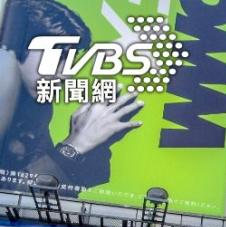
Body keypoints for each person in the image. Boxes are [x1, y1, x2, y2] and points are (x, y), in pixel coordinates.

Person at [0, 0, 145, 194]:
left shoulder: (37, 109)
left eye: (69, 62)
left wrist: (95, 143)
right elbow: (10, 196)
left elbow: (51, 189)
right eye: (58, 57)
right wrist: (76, 143)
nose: (66, 74)